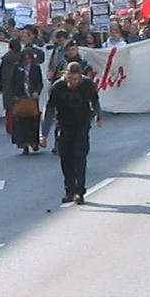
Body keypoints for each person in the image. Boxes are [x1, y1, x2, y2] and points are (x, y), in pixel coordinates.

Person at [47, 59, 103, 203]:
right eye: (70, 79)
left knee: (79, 157)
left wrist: (98, 115)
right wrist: (44, 133)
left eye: (76, 79)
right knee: (66, 159)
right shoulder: (58, 86)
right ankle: (69, 191)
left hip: (81, 125)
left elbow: (94, 100)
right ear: (65, 75)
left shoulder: (87, 84)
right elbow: (50, 109)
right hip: (64, 126)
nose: (73, 82)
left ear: (80, 76)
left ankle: (80, 191)